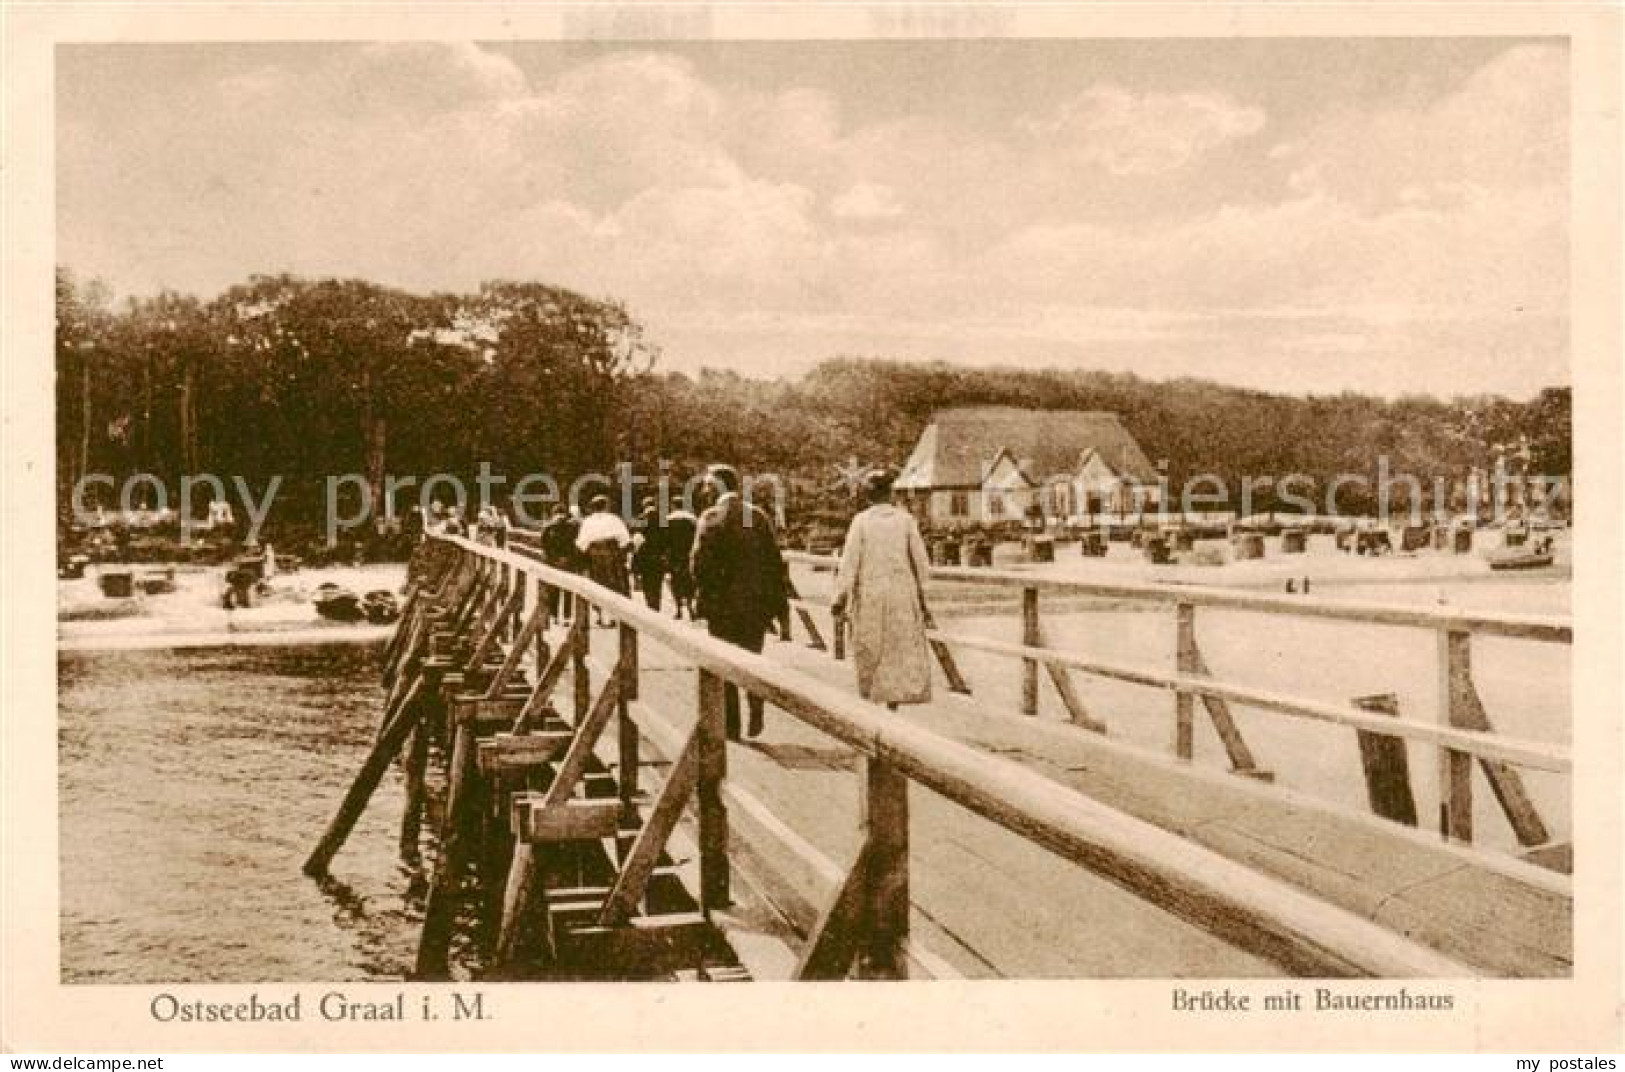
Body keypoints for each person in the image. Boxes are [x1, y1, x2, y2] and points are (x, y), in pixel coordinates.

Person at [691, 464, 788, 740]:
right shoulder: (756, 516)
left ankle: (731, 728)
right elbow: (774, 561)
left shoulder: (710, 517)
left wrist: (702, 595)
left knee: (724, 665)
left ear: (719, 487)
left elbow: (698, 564)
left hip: (721, 606)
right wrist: (776, 605)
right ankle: (756, 705)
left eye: (709, 484)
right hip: (755, 604)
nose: (705, 490)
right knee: (752, 659)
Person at [829, 467, 935, 710]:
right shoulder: (906, 521)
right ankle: (893, 705)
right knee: (897, 648)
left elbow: (849, 562)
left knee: (871, 647)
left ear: (867, 495)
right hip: (901, 593)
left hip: (871, 594)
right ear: (891, 494)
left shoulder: (861, 522)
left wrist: (839, 597)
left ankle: (873, 704)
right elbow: (922, 563)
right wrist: (923, 596)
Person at [576, 494, 632, 627]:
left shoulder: (588, 521)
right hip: (612, 554)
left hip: (595, 555)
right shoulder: (614, 519)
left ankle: (599, 615)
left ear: (592, 508)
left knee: (597, 583)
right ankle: (613, 616)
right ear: (606, 506)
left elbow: (581, 543)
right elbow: (624, 539)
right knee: (614, 584)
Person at [539, 505, 581, 621]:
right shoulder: (572, 527)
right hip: (568, 561)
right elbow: (576, 544)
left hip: (553, 561)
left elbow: (543, 545)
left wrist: (552, 559)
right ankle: (567, 616)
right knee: (568, 589)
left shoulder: (548, 527)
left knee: (553, 588)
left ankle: (554, 615)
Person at [630, 498, 668, 612]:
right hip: (658, 556)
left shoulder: (640, 519)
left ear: (644, 506)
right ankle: (656, 607)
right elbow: (667, 538)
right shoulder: (663, 519)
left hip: (644, 557)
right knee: (657, 584)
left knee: (647, 584)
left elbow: (635, 539)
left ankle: (650, 607)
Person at [663, 505, 699, 619]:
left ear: (673, 506)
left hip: (674, 556)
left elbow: (665, 538)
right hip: (688, 554)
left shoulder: (668, 519)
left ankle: (678, 609)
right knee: (689, 582)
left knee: (675, 582)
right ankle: (690, 609)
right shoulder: (692, 519)